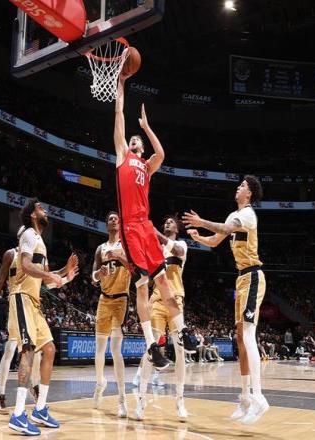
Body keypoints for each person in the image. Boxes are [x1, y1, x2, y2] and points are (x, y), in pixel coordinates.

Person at [114, 74, 194, 371]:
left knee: (162, 280)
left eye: (138, 139)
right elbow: (119, 114)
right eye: (133, 138)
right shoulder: (122, 155)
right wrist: (121, 85)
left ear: (142, 146)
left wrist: (147, 127)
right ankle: (151, 345)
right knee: (143, 284)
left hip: (146, 226)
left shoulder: (147, 166)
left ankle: (182, 330)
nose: (133, 139)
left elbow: (162, 153)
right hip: (130, 227)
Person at [183, 175, 268, 425]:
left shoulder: (248, 215)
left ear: (249, 193)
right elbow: (216, 239)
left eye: (242, 186)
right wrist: (198, 237)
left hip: (253, 276)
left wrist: (201, 221)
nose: (238, 187)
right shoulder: (234, 215)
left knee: (249, 336)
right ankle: (245, 398)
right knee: (240, 338)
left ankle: (259, 397)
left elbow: (225, 229)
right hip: (241, 279)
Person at [5, 198, 78, 435]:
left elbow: (46, 279)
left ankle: (40, 409)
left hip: (34, 302)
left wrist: (65, 273)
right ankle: (18, 414)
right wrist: (54, 276)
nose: (45, 210)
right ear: (33, 215)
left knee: (50, 349)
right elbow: (26, 266)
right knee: (27, 350)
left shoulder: (40, 242)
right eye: (40, 208)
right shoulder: (27, 234)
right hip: (22, 296)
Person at [0, 247, 75, 414]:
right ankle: (1, 395)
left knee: (38, 351)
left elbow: (47, 281)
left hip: (33, 307)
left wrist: (66, 274)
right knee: (11, 350)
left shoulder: (40, 254)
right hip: (17, 305)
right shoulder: (11, 254)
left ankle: (34, 387)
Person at [134, 215, 190, 420]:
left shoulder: (181, 245)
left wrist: (156, 233)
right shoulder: (154, 248)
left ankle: (180, 400)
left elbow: (178, 251)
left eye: (171, 222)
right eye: (165, 221)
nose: (167, 223)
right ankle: (141, 400)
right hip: (157, 301)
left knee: (180, 351)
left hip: (175, 301)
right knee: (152, 348)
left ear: (177, 228)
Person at [91, 211, 131, 418]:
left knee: (115, 350)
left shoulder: (126, 245)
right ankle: (100, 383)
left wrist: (118, 257)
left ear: (120, 224)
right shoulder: (101, 248)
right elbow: (93, 277)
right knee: (99, 349)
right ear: (107, 225)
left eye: (116, 218)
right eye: (110, 219)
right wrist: (99, 274)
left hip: (121, 299)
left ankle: (122, 398)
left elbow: (134, 268)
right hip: (104, 300)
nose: (113, 220)